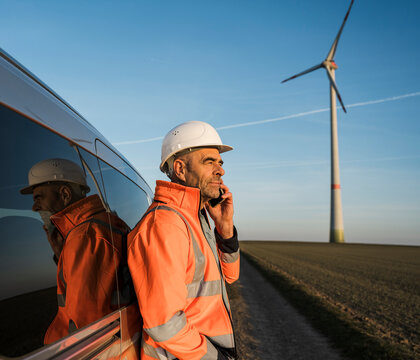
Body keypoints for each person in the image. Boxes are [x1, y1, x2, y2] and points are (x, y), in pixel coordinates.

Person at [127, 121, 240, 360]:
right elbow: (163, 324)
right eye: (209, 162)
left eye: (220, 162)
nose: (220, 170)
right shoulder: (165, 224)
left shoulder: (195, 217)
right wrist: (215, 358)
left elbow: (229, 276)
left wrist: (225, 229)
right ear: (179, 168)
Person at [20, 158, 130, 344]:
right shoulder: (100, 225)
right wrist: (61, 252)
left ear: (64, 194)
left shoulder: (86, 235)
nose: (34, 207)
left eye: (39, 197)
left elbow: (86, 329)